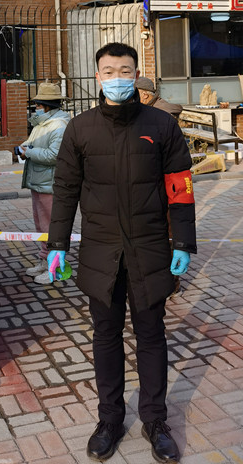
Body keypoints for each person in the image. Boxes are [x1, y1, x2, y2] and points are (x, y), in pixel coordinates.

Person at [47, 42, 196, 463]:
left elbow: (181, 187)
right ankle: (109, 420)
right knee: (106, 336)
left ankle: (155, 421)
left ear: (136, 75)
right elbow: (65, 190)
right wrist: (57, 244)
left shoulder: (161, 126)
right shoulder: (81, 129)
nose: (117, 77)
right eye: (109, 70)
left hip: (150, 249)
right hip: (101, 251)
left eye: (125, 70)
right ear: (98, 76)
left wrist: (183, 243)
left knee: (151, 335)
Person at [136, 76, 184, 299]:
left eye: (134, 94)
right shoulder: (151, 112)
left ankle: (171, 283)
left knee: (167, 235)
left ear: (145, 95)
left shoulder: (160, 117)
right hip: (157, 186)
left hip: (166, 186)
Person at [18, 82, 70, 285]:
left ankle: (54, 268)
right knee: (41, 226)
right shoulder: (43, 124)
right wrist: (24, 148)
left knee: (51, 227)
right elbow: (33, 145)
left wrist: (29, 152)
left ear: (48, 105)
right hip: (39, 182)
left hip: (50, 183)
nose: (36, 108)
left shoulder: (58, 125)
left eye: (39, 105)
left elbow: (54, 155)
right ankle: (44, 259)